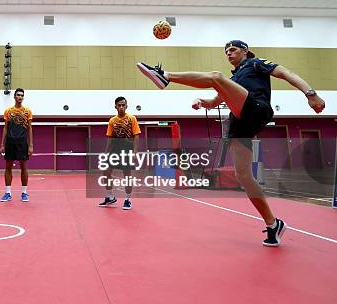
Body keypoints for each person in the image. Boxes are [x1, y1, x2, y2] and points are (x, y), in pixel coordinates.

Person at [137, 40, 326, 247]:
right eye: (226, 51)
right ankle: (273, 224)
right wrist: (202, 102)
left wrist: (311, 94)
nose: (229, 53)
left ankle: (165, 76)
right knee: (243, 176)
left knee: (216, 76)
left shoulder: (256, 63)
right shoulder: (233, 79)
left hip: (257, 108)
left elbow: (286, 73)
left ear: (245, 51)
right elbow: (214, 102)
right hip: (239, 123)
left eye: (233, 49)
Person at [98, 96, 141, 210]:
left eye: (123, 105)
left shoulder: (132, 119)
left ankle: (127, 200)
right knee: (106, 172)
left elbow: (136, 136)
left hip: (127, 149)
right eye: (119, 105)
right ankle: (110, 196)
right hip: (114, 149)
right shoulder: (112, 120)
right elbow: (110, 138)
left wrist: (135, 152)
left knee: (127, 175)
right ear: (115, 107)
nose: (121, 107)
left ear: (126, 106)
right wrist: (106, 152)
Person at [0, 88, 33, 202]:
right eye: (18, 95)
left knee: (24, 167)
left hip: (22, 142)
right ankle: (8, 193)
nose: (20, 97)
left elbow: (29, 128)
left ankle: (24, 193)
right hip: (10, 142)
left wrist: (31, 145)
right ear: (14, 96)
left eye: (22, 95)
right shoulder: (8, 111)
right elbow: (5, 128)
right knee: (8, 167)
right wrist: (2, 144)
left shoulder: (27, 111)